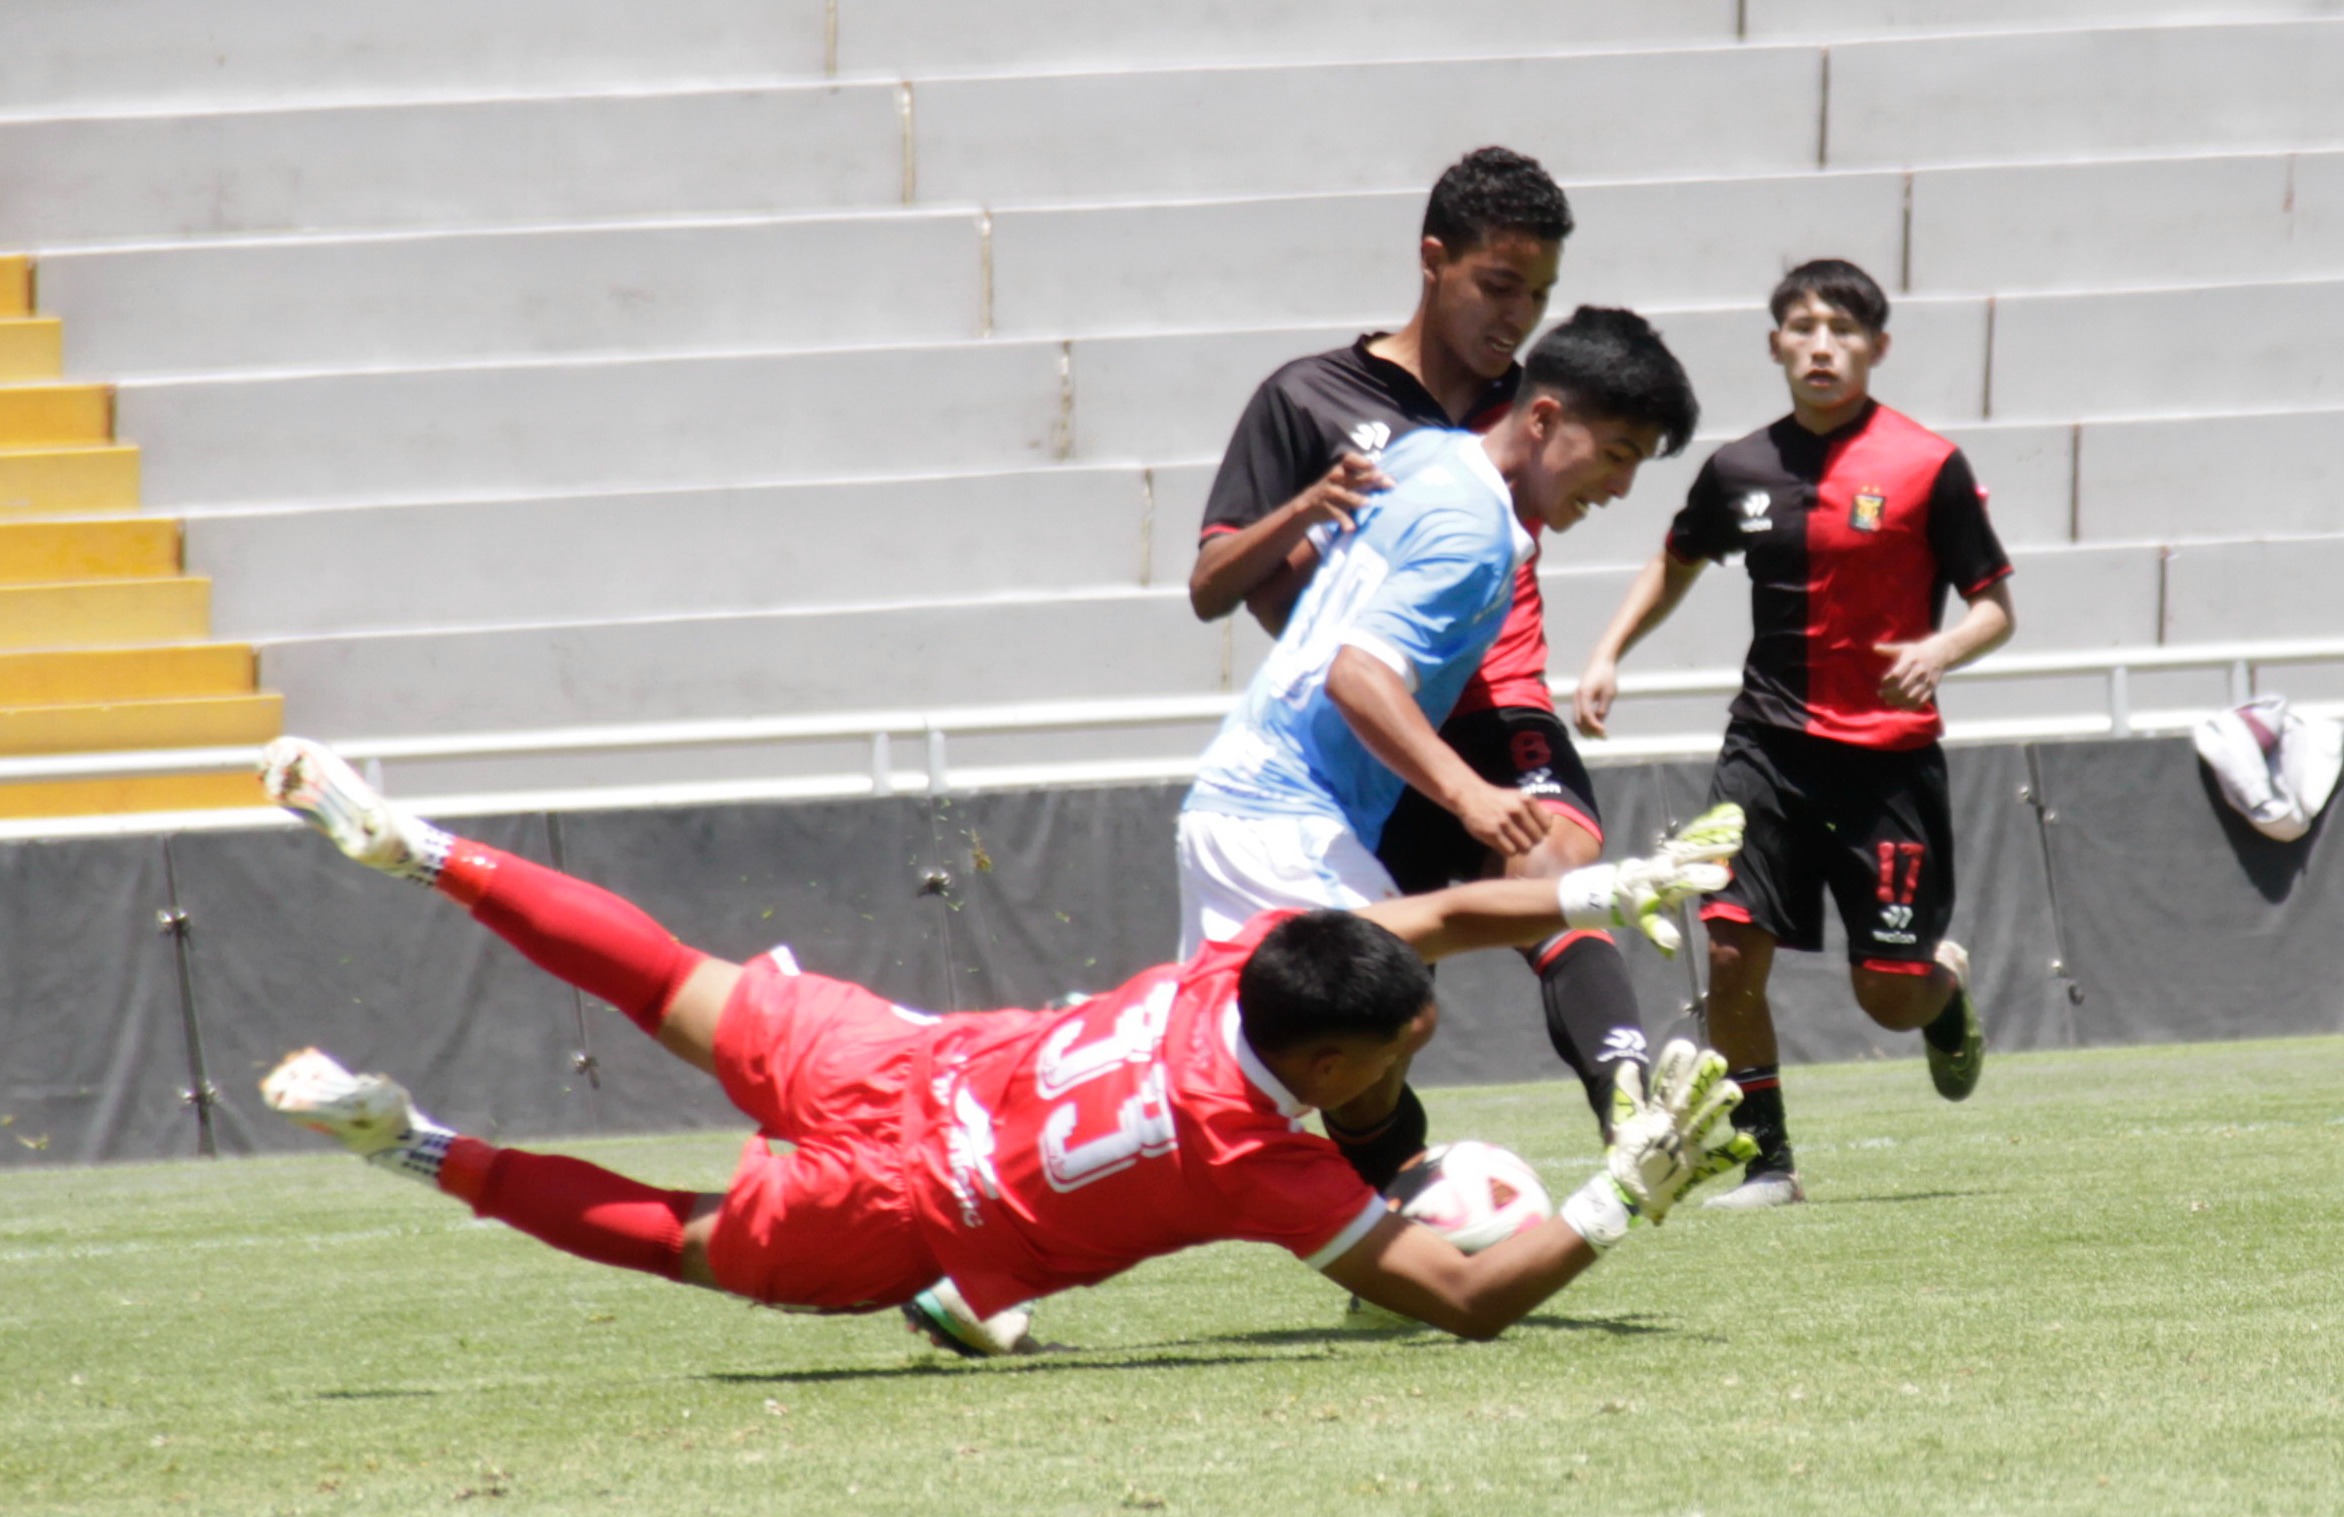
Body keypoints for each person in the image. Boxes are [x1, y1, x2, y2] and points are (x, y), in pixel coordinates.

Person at [255, 736, 1744, 1353]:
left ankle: (426, 844)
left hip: (894, 1065)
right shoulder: (1251, 1161)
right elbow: (1469, 1296)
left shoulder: (1237, 961)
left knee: (664, 975)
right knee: (679, 1235)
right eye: (1408, 1041)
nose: (1420, 1037)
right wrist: (1627, 1189)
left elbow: (1417, 922)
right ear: (1341, 1066)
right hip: (907, 1211)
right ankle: (420, 1141)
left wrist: (1601, 886)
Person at [1188, 146, 1685, 1174]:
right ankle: (1394, 1194)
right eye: (1498, 286)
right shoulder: (1314, 401)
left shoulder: (1542, 404)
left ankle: (1626, 1101)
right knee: (1365, 1023)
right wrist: (1301, 511)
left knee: (1550, 866)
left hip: (1490, 706)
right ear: (1432, 261)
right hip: (1359, 736)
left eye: (1536, 296)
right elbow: (1214, 590)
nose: (1513, 318)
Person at [1573, 258, 2016, 1209]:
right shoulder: (1740, 467)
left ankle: (1941, 992)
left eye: (1845, 329)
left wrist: (1941, 649)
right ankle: (1769, 1162)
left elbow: (1995, 610)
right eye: (1805, 326)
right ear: (1777, 343)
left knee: (1886, 996)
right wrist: (1610, 648)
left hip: (1888, 760)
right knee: (1730, 946)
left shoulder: (1926, 464)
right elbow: (1676, 557)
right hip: (1766, 748)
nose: (1823, 344)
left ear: (1877, 349)